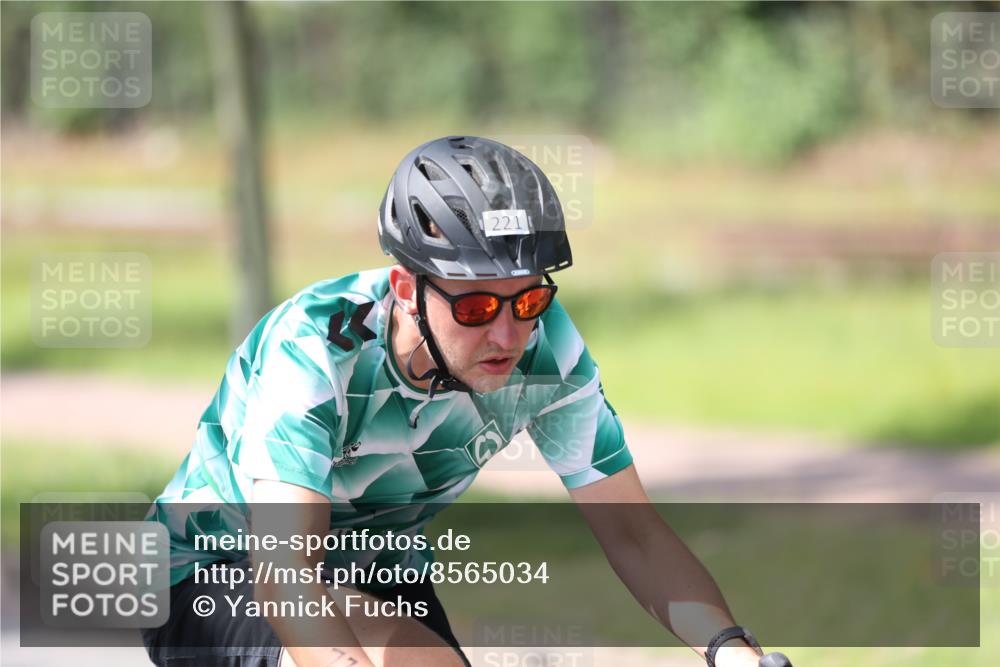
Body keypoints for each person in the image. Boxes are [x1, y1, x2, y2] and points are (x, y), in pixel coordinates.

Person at [142, 136, 791, 667]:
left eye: (529, 299)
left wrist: (733, 651)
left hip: (377, 568)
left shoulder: (546, 350)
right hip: (213, 568)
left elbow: (634, 534)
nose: (508, 335)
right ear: (407, 288)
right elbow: (287, 574)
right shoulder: (315, 348)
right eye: (477, 307)